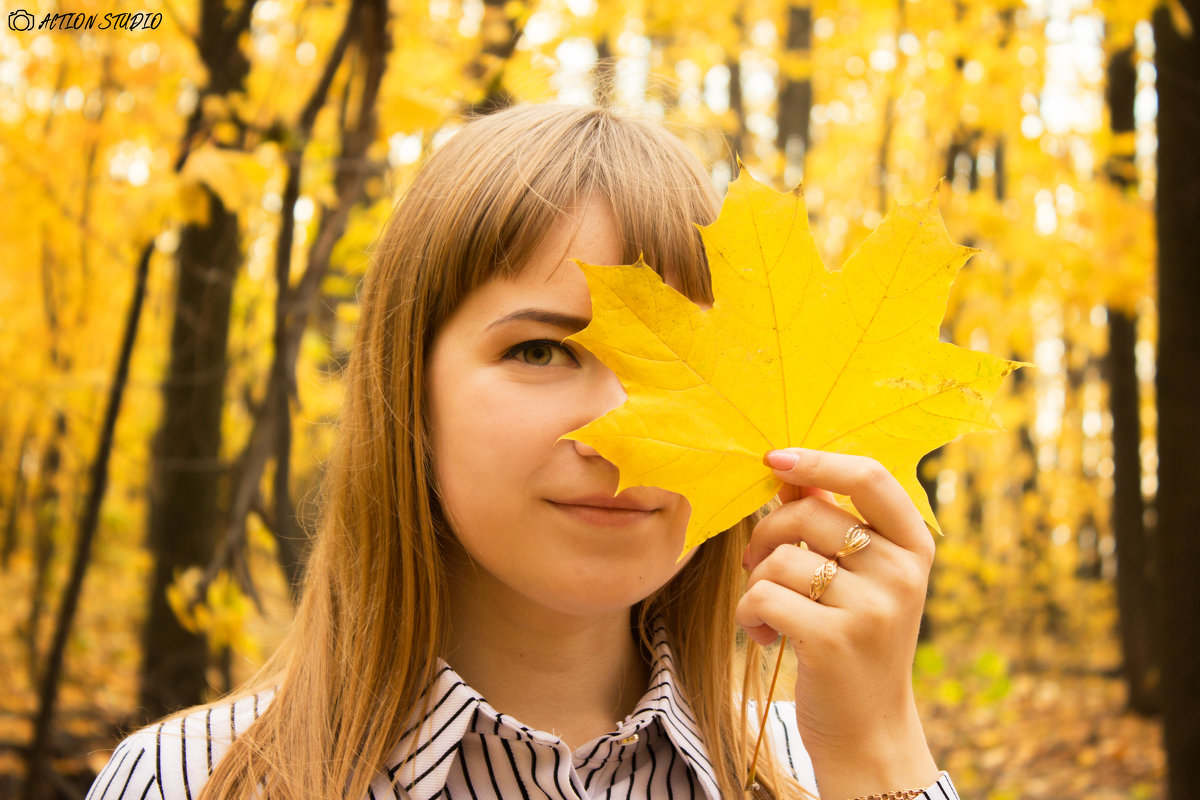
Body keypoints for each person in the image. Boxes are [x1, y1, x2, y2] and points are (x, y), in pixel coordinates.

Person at [87, 104, 957, 800]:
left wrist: (879, 758)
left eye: (675, 370)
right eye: (540, 351)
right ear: (408, 393)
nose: (624, 432)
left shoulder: (816, 770)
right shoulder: (191, 781)